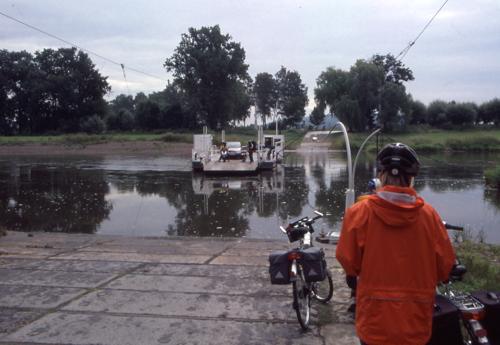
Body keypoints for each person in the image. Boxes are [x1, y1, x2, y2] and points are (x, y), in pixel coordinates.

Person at [336, 143, 455, 345]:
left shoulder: (359, 212)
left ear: (381, 175)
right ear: (411, 178)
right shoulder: (430, 216)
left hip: (374, 321)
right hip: (415, 322)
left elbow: (349, 262)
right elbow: (444, 268)